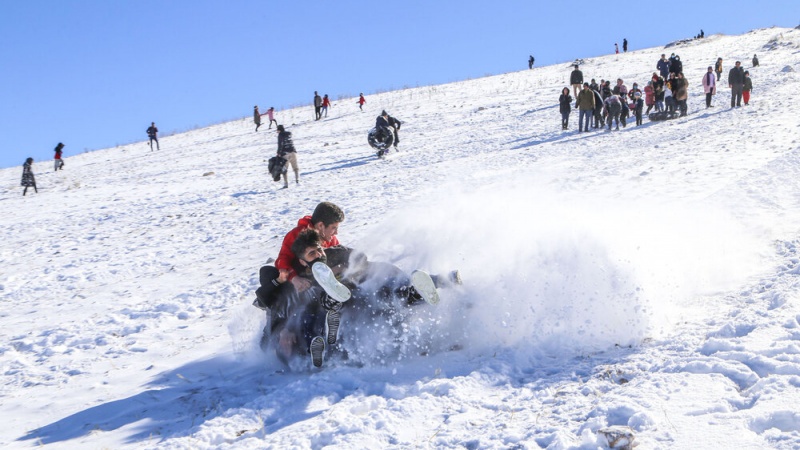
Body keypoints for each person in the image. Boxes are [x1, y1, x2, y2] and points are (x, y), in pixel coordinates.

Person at [256, 228, 455, 367]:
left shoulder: (334, 254)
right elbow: (284, 318)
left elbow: (363, 261)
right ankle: (316, 354)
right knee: (310, 321)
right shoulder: (294, 281)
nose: (318, 254)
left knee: (383, 294)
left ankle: (435, 284)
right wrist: (285, 331)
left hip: (356, 300)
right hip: (327, 318)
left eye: (319, 250)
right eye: (311, 254)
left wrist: (343, 268)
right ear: (301, 261)